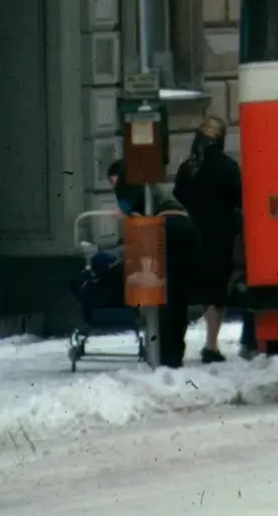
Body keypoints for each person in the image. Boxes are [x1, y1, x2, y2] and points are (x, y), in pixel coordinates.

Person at [109, 160, 199, 369]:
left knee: (165, 295)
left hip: (167, 229)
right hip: (185, 228)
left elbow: (128, 209)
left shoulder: (129, 177)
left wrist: (123, 214)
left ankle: (166, 355)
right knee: (178, 296)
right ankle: (174, 353)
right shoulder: (148, 183)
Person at [173, 116, 244, 364]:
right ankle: (211, 344)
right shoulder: (227, 166)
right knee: (216, 293)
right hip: (219, 237)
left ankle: (177, 344)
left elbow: (178, 196)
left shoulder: (188, 168)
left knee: (186, 292)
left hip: (190, 235)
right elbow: (239, 199)